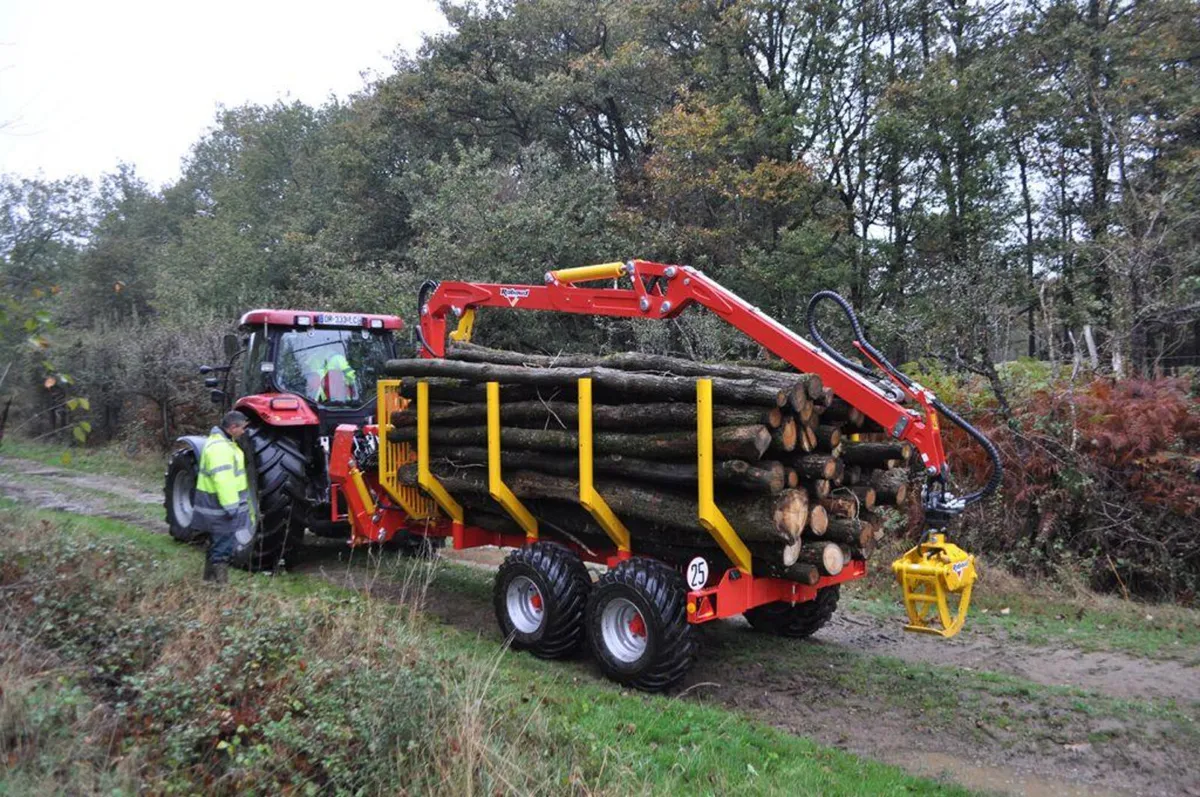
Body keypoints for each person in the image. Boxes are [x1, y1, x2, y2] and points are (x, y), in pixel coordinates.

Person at [193, 410, 253, 583]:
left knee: (216, 544)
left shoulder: (225, 444)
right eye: (242, 428)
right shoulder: (221, 449)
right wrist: (232, 506)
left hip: (215, 508)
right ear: (233, 427)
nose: (244, 431)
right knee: (223, 547)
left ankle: (208, 581)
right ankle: (220, 587)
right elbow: (223, 480)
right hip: (221, 509)